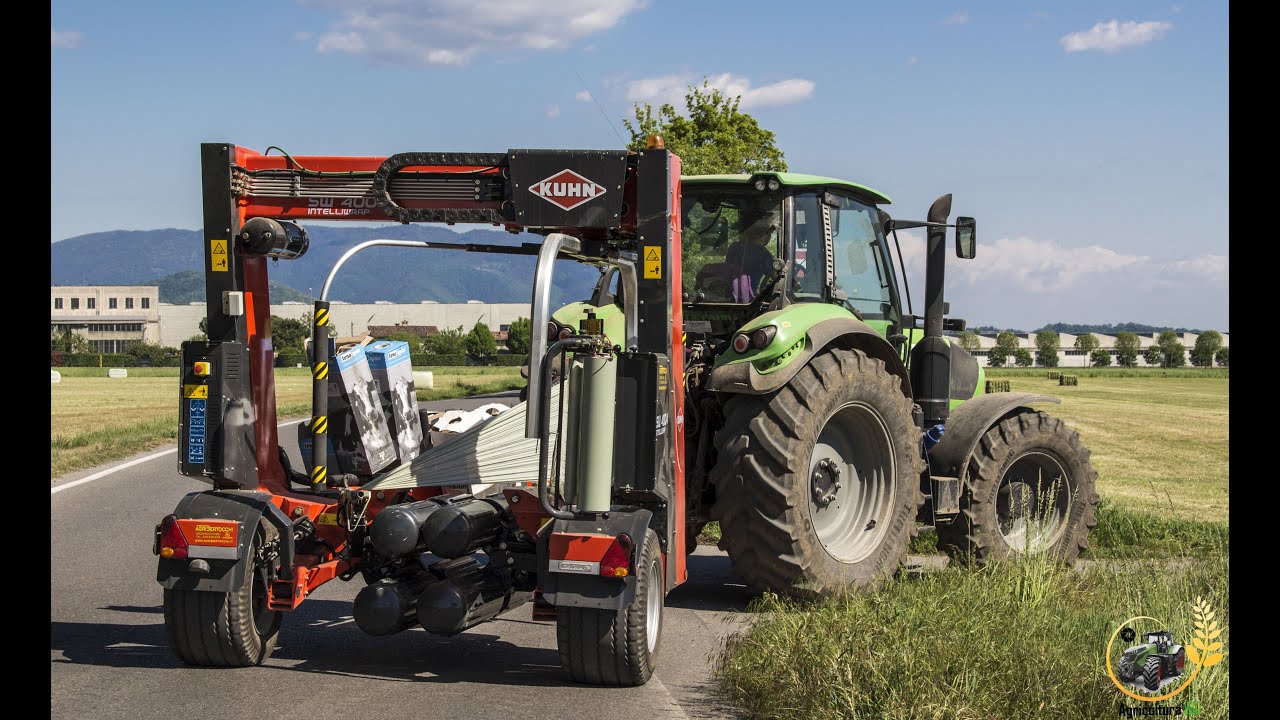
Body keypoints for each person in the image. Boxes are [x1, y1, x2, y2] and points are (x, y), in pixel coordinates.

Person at [723, 210, 777, 300]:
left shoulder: (734, 247)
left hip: (730, 298)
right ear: (766, 233)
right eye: (770, 233)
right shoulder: (764, 254)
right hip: (748, 300)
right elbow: (776, 277)